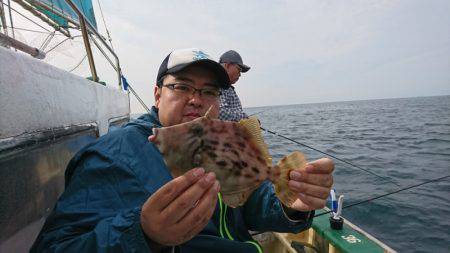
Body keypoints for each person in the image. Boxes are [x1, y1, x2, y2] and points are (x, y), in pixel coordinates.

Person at [31, 48, 334, 253]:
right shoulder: (115, 151)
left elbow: (252, 202)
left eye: (208, 91)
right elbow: (55, 246)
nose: (196, 99)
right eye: (183, 86)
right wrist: (142, 233)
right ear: (157, 93)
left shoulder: (222, 140)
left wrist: (290, 205)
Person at [219, 50, 251, 121]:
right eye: (239, 69)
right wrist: (246, 119)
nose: (240, 74)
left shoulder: (228, 88)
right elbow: (221, 112)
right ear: (227, 65)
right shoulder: (217, 85)